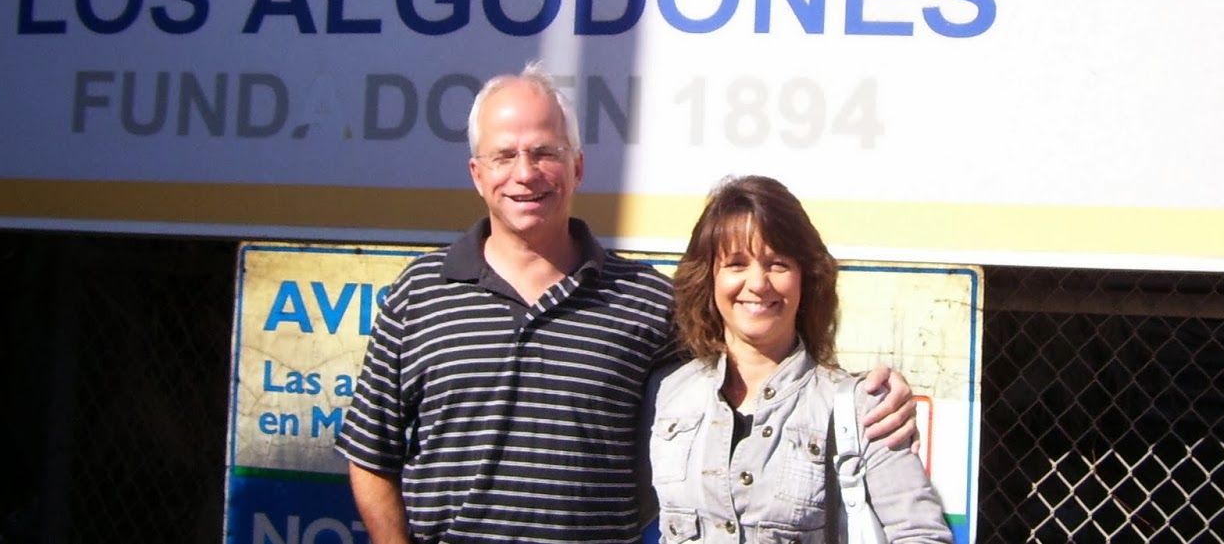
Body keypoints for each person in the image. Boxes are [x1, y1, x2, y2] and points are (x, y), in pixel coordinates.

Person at [335, 63, 918, 544]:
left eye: (545, 152)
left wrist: (869, 395)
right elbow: (370, 453)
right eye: (503, 156)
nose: (525, 173)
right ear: (476, 174)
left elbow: (756, 364)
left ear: (577, 166)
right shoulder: (418, 293)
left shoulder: (644, 302)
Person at [645, 175, 953, 544]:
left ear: (806, 277)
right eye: (737, 264)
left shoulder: (861, 406)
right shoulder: (667, 394)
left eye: (777, 264)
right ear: (708, 277)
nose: (758, 283)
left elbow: (921, 534)